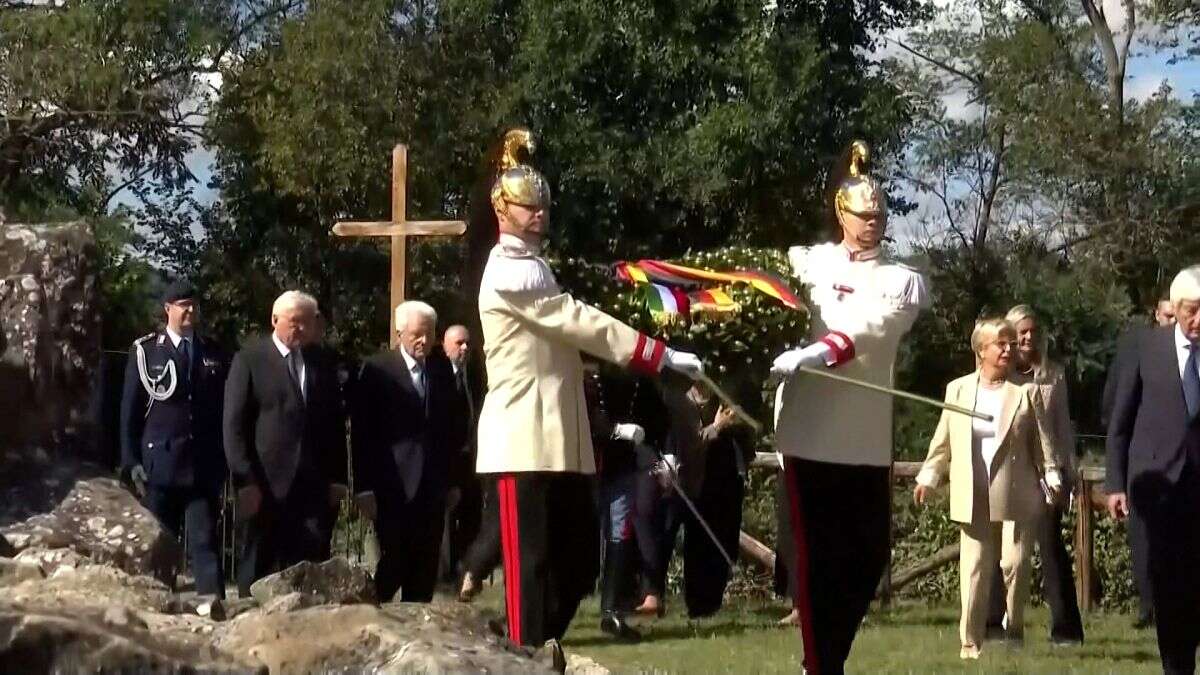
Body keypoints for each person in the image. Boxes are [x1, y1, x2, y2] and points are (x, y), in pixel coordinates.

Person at [475, 129, 703, 652]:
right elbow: (575, 321)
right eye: (527, 207)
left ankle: (537, 648)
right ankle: (524, 655)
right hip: (522, 435)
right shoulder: (510, 270)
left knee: (578, 561)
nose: (539, 214)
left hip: (559, 434)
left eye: (542, 206)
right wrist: (657, 354)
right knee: (528, 566)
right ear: (502, 210)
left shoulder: (535, 265)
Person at [769, 140, 929, 675]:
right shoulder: (804, 263)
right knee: (815, 560)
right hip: (810, 431)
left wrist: (819, 349)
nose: (873, 223)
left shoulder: (901, 281)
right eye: (864, 215)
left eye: (880, 215)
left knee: (867, 554)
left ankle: (827, 656)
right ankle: (821, 663)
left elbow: (874, 330)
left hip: (863, 437)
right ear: (842, 214)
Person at [914, 318, 1060, 659]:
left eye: (1011, 343)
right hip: (974, 492)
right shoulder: (959, 390)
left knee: (1014, 564)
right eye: (1001, 343)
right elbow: (943, 441)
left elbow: (1044, 444)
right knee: (975, 568)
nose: (1009, 349)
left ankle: (1015, 627)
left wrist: (1052, 475)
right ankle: (970, 643)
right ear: (982, 350)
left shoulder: (1026, 392)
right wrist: (928, 476)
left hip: (1017, 492)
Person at [1105, 265, 1200, 674]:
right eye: (1192, 311)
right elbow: (1119, 424)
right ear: (1175, 309)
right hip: (1157, 490)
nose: (1199, 320)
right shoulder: (1145, 348)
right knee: (1168, 588)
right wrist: (1115, 484)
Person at [223, 290, 348, 596]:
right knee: (259, 562)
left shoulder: (322, 362)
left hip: (313, 485)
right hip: (266, 483)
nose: (301, 329)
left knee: (310, 566)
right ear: (275, 320)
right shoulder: (250, 359)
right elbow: (234, 424)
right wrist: (245, 479)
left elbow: (333, 425)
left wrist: (338, 479)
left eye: (307, 323)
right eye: (294, 322)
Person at [119, 280, 229, 599]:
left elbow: (223, 409)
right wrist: (130, 460)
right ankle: (155, 605)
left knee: (205, 543)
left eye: (194, 304)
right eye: (183, 305)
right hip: (160, 465)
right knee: (158, 544)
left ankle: (214, 609)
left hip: (201, 465)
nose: (190, 310)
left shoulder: (213, 352)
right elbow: (130, 411)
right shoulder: (146, 351)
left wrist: (223, 461)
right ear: (168, 309)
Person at [983, 305, 1084, 645]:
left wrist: (1067, 472)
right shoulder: (998, 375)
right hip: (1008, 470)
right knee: (999, 549)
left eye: (1032, 331)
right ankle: (994, 623)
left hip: (1044, 474)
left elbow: (1061, 426)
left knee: (1051, 547)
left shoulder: (1052, 375)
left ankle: (1065, 628)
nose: (1027, 337)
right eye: (1021, 331)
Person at [351, 301, 455, 602]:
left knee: (425, 567)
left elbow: (450, 427)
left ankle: (417, 632)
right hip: (393, 485)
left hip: (432, 486)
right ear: (400, 333)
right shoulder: (377, 370)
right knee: (395, 561)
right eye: (416, 334)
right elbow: (363, 433)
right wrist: (364, 488)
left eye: (430, 334)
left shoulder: (440, 369)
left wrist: (452, 481)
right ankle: (370, 615)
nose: (424, 341)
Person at [645, 379, 754, 619]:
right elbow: (690, 445)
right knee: (673, 539)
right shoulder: (678, 402)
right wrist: (716, 427)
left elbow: (747, 436)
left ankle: (708, 604)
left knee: (720, 542)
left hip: (723, 482)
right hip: (687, 482)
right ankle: (657, 597)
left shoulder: (725, 398)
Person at [583, 360, 669, 641]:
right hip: (585, 465)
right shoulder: (588, 374)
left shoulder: (637, 380)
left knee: (620, 535)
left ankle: (612, 611)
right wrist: (614, 430)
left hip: (621, 465)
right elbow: (586, 415)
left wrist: (664, 453)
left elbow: (656, 416)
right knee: (579, 536)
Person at [438, 324, 485, 586]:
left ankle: (466, 571)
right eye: (458, 343)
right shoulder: (439, 376)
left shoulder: (476, 377)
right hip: (448, 459)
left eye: (467, 343)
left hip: (473, 460)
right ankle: (444, 573)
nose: (464, 348)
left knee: (471, 515)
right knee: (447, 518)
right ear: (445, 346)